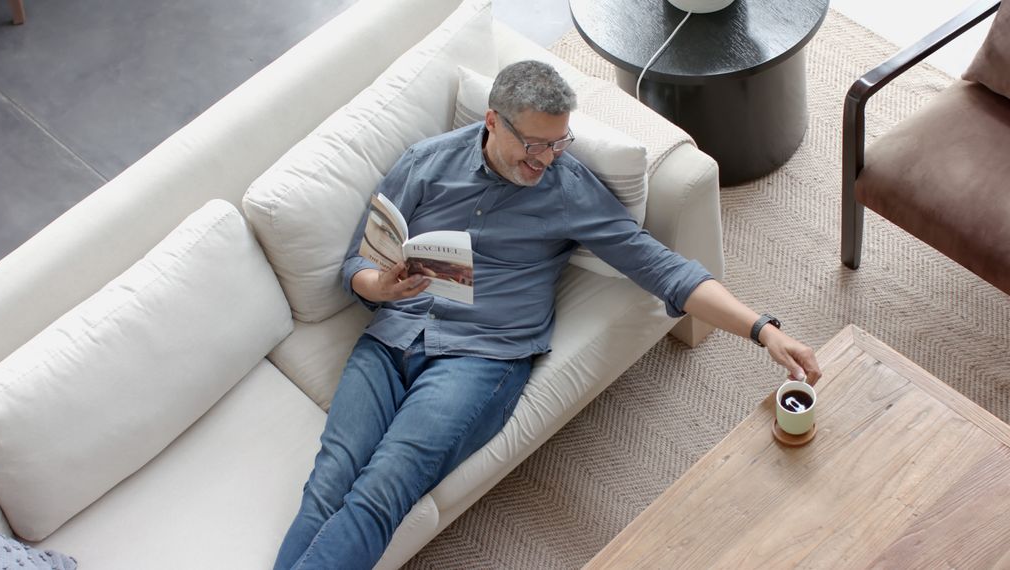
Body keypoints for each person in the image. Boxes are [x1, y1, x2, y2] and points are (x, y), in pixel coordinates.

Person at [274, 60, 821, 570]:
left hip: (479, 358)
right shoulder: (427, 161)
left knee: (381, 489)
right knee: (330, 481)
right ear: (493, 122)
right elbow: (358, 264)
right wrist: (381, 287)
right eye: (534, 145)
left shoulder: (568, 190)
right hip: (391, 336)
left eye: (559, 143)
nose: (546, 159)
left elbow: (663, 268)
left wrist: (762, 329)